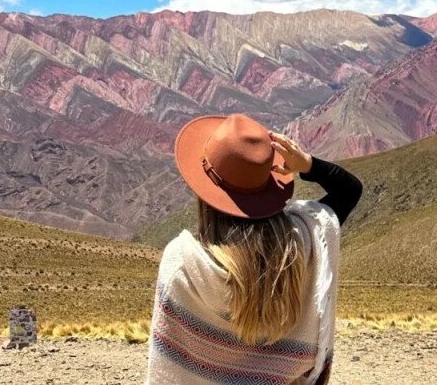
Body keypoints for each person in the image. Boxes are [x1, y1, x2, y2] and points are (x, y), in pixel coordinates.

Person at [146, 113, 362, 385]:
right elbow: (349, 190)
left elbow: (168, 370)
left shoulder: (183, 262)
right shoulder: (305, 242)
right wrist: (306, 163)